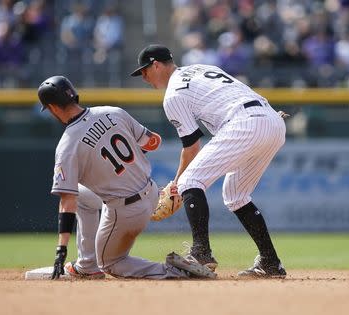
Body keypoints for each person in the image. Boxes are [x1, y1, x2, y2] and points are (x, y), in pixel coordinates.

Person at [37, 75, 215, 280]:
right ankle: (87, 264)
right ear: (73, 95)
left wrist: (61, 249)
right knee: (83, 196)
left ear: (53, 107)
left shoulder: (67, 146)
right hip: (152, 193)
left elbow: (67, 201)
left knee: (111, 263)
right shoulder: (112, 112)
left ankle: (176, 271)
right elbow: (153, 142)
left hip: (125, 211)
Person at [131, 44, 287, 278]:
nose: (144, 77)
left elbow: (192, 146)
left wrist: (175, 185)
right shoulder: (201, 68)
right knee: (235, 195)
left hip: (245, 122)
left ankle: (201, 252)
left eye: (144, 71)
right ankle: (270, 262)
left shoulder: (173, 93)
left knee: (189, 180)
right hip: (272, 121)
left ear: (156, 65)